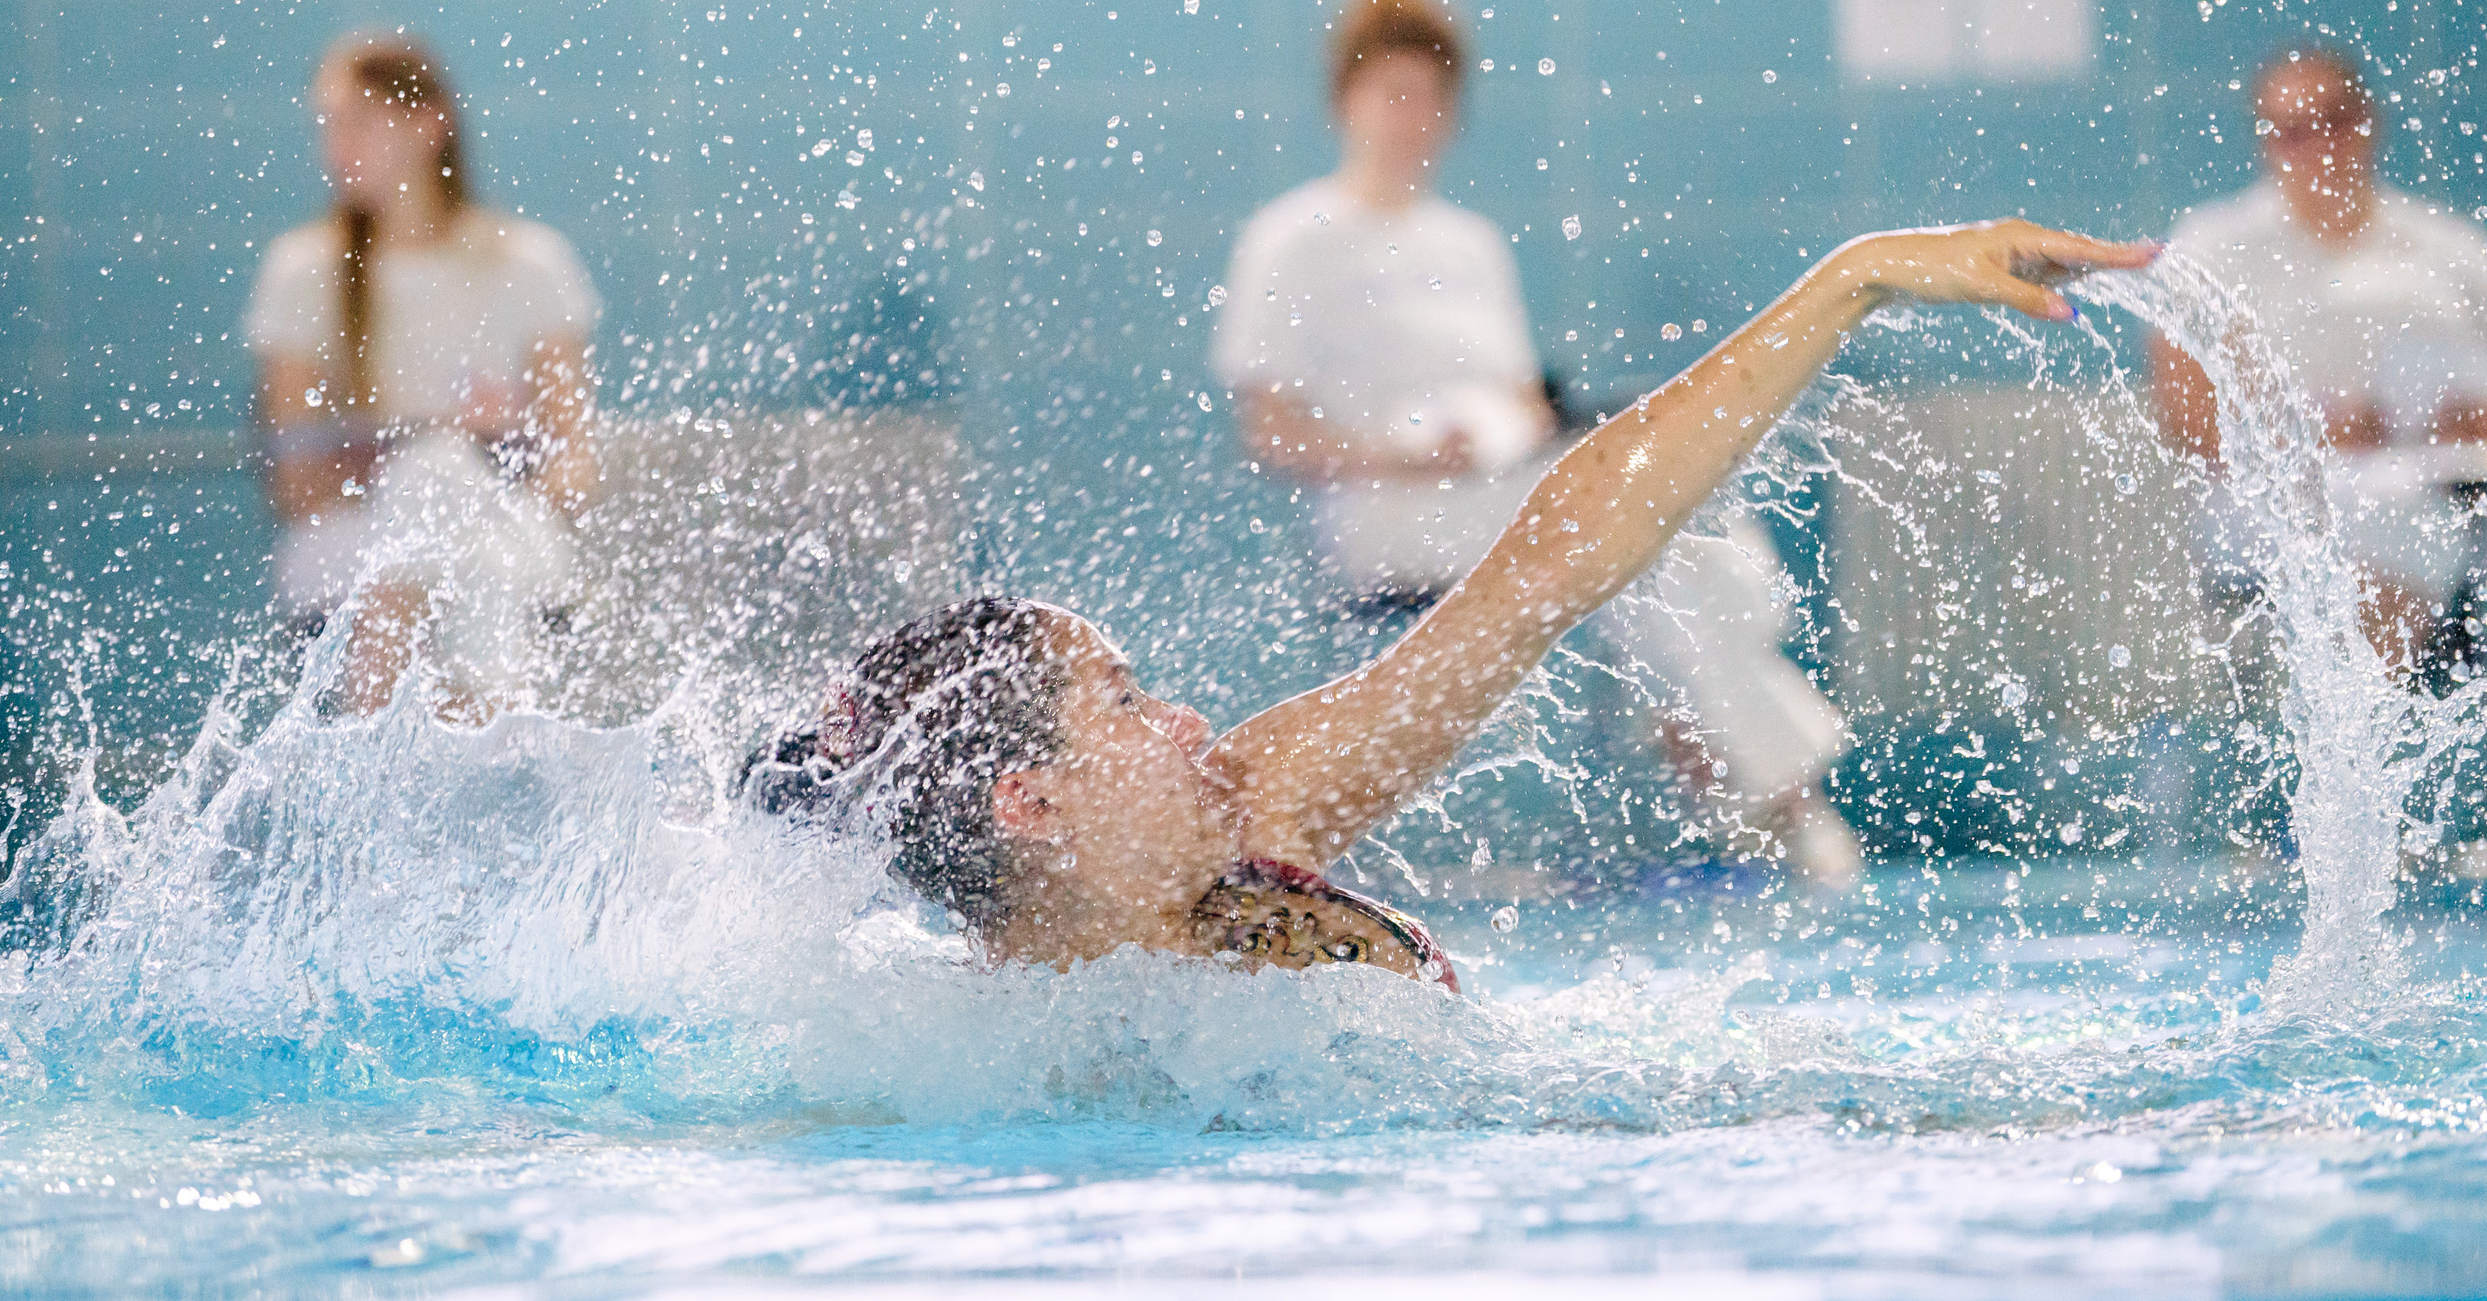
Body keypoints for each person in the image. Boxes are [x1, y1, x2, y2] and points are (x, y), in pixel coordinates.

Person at [747, 220, 2155, 989]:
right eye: (1120, 700)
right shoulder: (934, 1052)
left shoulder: (1260, 805)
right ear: (1031, 801)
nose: (1180, 717)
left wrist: (1849, 281)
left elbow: (1552, 560)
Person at [1209, 0, 1860, 883]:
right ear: (1346, 100)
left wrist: (1512, 425)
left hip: (1498, 485)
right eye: (1393, 94)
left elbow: (1519, 397)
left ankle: (1726, 762)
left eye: (1431, 99)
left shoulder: (1467, 243)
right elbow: (1270, 432)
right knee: (1632, 524)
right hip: (1385, 513)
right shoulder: (1294, 238)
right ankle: (1762, 790)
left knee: (1669, 516)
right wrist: (1400, 455)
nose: (1413, 118)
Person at [245, 36, 602, 714]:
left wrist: (487, 459)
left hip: (500, 534)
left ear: (429, 121)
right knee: (429, 486)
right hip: (353, 539)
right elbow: (296, 482)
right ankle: (494, 734)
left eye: (359, 120)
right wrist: (407, 454)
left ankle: (374, 744)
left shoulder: (530, 265)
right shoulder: (303, 272)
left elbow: (574, 467)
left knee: (447, 490)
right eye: (328, 125)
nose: (336, 146)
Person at [2153, 44, 2487, 675]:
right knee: (2366, 563)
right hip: (2270, 501)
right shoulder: (2213, 249)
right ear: (2267, 142)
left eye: (2335, 120)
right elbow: (2187, 418)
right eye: (2293, 131)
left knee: (2409, 528)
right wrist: (2311, 439)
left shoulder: (2452, 252)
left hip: (2423, 491)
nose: (2319, 146)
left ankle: (2375, 712)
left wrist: (2455, 423)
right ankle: (2377, 714)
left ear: (2369, 122)